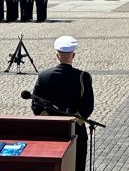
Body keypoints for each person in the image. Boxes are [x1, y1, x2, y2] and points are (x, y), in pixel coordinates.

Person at [31, 36, 94, 171]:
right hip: (76, 132)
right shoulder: (82, 77)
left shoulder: (43, 76)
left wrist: (53, 121)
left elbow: (36, 106)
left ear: (57, 55)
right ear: (73, 55)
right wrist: (74, 123)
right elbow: (88, 107)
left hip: (51, 131)